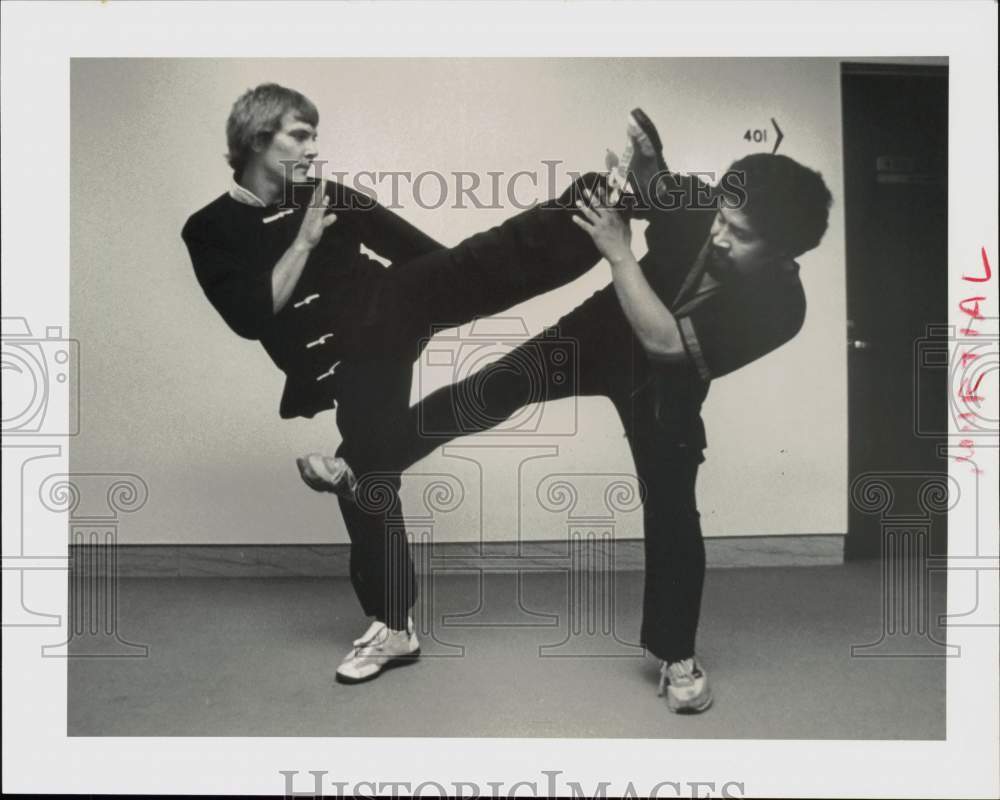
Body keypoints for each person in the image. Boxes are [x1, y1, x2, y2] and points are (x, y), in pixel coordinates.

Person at [305, 134, 833, 712]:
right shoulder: (707, 206)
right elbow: (660, 191)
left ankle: (676, 654)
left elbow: (663, 342)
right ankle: (360, 463)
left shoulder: (784, 307)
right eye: (722, 218)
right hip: (597, 336)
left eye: (741, 234)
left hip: (665, 383)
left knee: (672, 505)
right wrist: (651, 166)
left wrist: (620, 252)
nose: (719, 234)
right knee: (486, 391)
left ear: (786, 253)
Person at [181, 83, 615, 685]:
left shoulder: (330, 195)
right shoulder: (208, 229)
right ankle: (394, 627)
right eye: (300, 135)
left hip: (386, 311)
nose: (312, 149)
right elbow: (252, 316)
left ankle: (589, 209)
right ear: (258, 140)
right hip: (340, 364)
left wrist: (449, 294)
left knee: (469, 264)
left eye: (313, 136)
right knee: (367, 469)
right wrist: (306, 239)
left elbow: (425, 254)